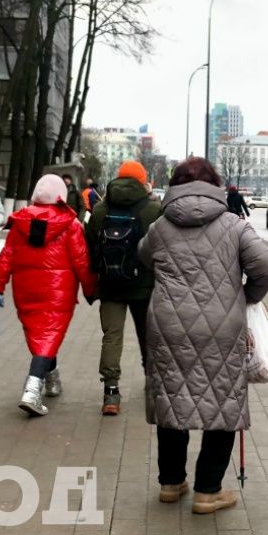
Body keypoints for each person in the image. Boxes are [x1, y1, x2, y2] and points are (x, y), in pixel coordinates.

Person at [140, 157, 268, 513]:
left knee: (172, 399)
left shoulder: (159, 228)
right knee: (223, 403)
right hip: (221, 328)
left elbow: (143, 258)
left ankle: (171, 483)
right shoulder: (235, 225)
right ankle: (207, 490)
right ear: (215, 185)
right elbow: (264, 262)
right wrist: (247, 297)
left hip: (167, 326)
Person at [0, 174, 98, 416]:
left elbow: (6, 258)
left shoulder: (20, 222)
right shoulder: (70, 224)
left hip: (26, 290)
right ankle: (31, 390)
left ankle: (52, 378)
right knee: (48, 335)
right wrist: (91, 289)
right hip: (59, 291)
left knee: (41, 335)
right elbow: (81, 261)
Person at [85, 160, 161, 416]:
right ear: (143, 180)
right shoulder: (153, 209)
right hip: (145, 285)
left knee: (112, 336)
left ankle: (111, 392)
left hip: (110, 284)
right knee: (147, 335)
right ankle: (152, 384)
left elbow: (90, 245)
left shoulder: (100, 209)